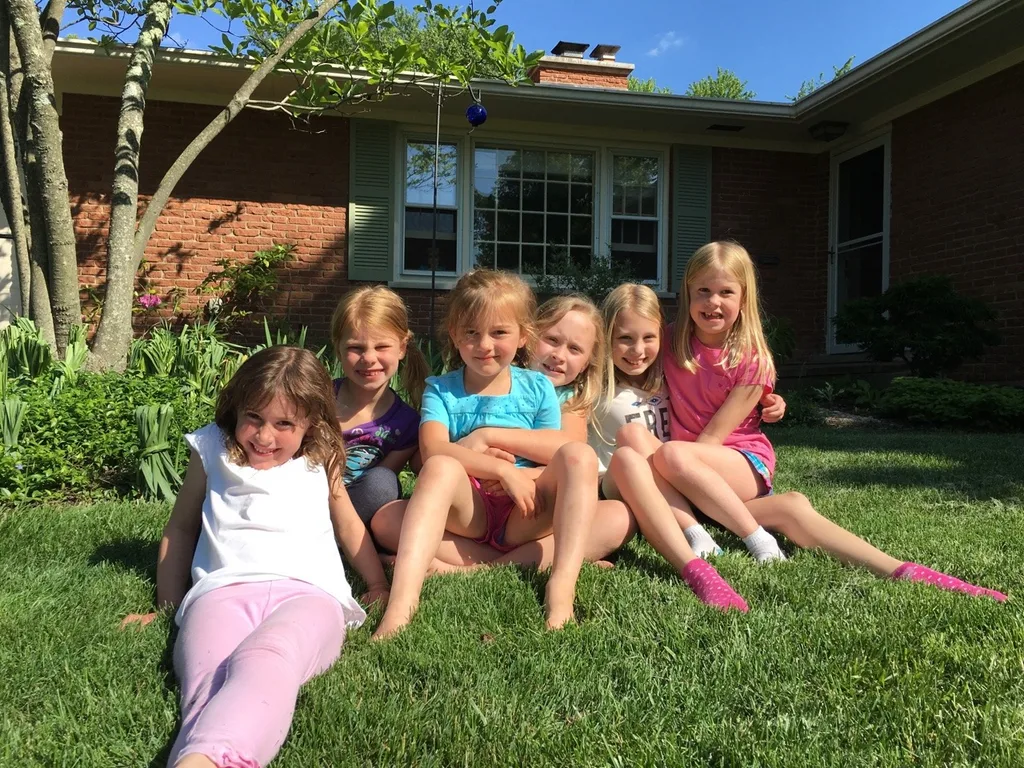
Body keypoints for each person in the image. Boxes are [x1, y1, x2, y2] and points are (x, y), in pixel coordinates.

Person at [644, 241, 1007, 601]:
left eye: (726, 292)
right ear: (686, 291)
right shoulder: (669, 340)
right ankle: (899, 569)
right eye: (702, 291)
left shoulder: (753, 361)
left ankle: (767, 538)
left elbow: (710, 440)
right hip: (696, 479)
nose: (713, 302)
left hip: (735, 464)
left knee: (672, 455)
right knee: (791, 508)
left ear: (744, 298)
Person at [122, 346, 390, 768]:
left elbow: (349, 525)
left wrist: (376, 585)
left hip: (309, 596)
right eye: (254, 418)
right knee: (206, 679)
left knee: (270, 656)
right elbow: (181, 528)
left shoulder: (323, 456)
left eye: (284, 424)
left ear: (312, 423)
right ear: (237, 409)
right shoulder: (211, 446)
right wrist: (168, 605)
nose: (264, 437)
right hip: (221, 591)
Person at [373, 271, 602, 638]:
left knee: (582, 457)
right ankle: (401, 605)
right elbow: (433, 450)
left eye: (499, 332)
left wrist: (513, 471)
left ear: (523, 335)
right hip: (471, 512)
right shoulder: (441, 390)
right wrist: (500, 470)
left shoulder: (537, 387)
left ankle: (560, 592)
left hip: (525, 511)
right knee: (405, 501)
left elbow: (557, 449)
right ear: (454, 334)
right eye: (471, 333)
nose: (484, 344)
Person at [372, 294, 636, 575]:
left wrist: (488, 439)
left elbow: (567, 458)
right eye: (553, 340)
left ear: (586, 362)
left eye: (574, 349)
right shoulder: (474, 379)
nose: (559, 355)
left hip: (534, 508)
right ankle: (526, 561)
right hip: (472, 506)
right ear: (529, 337)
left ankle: (469, 568)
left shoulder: (572, 403)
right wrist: (483, 463)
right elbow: (429, 459)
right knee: (386, 520)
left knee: (620, 518)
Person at [595, 283, 785, 611]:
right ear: (606, 338)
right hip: (621, 484)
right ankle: (697, 536)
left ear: (662, 338)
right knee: (633, 438)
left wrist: (769, 401)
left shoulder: (667, 373)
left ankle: (707, 536)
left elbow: (713, 383)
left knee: (641, 441)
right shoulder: (593, 387)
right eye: (624, 338)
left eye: (648, 338)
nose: (636, 350)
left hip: (671, 488)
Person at [331, 286, 428, 524]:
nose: (369, 358)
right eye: (356, 348)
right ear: (338, 349)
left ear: (402, 347)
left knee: (383, 483)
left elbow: (376, 491)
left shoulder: (406, 423)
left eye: (382, 347)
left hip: (354, 512)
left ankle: (343, 542)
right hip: (306, 498)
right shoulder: (317, 398)